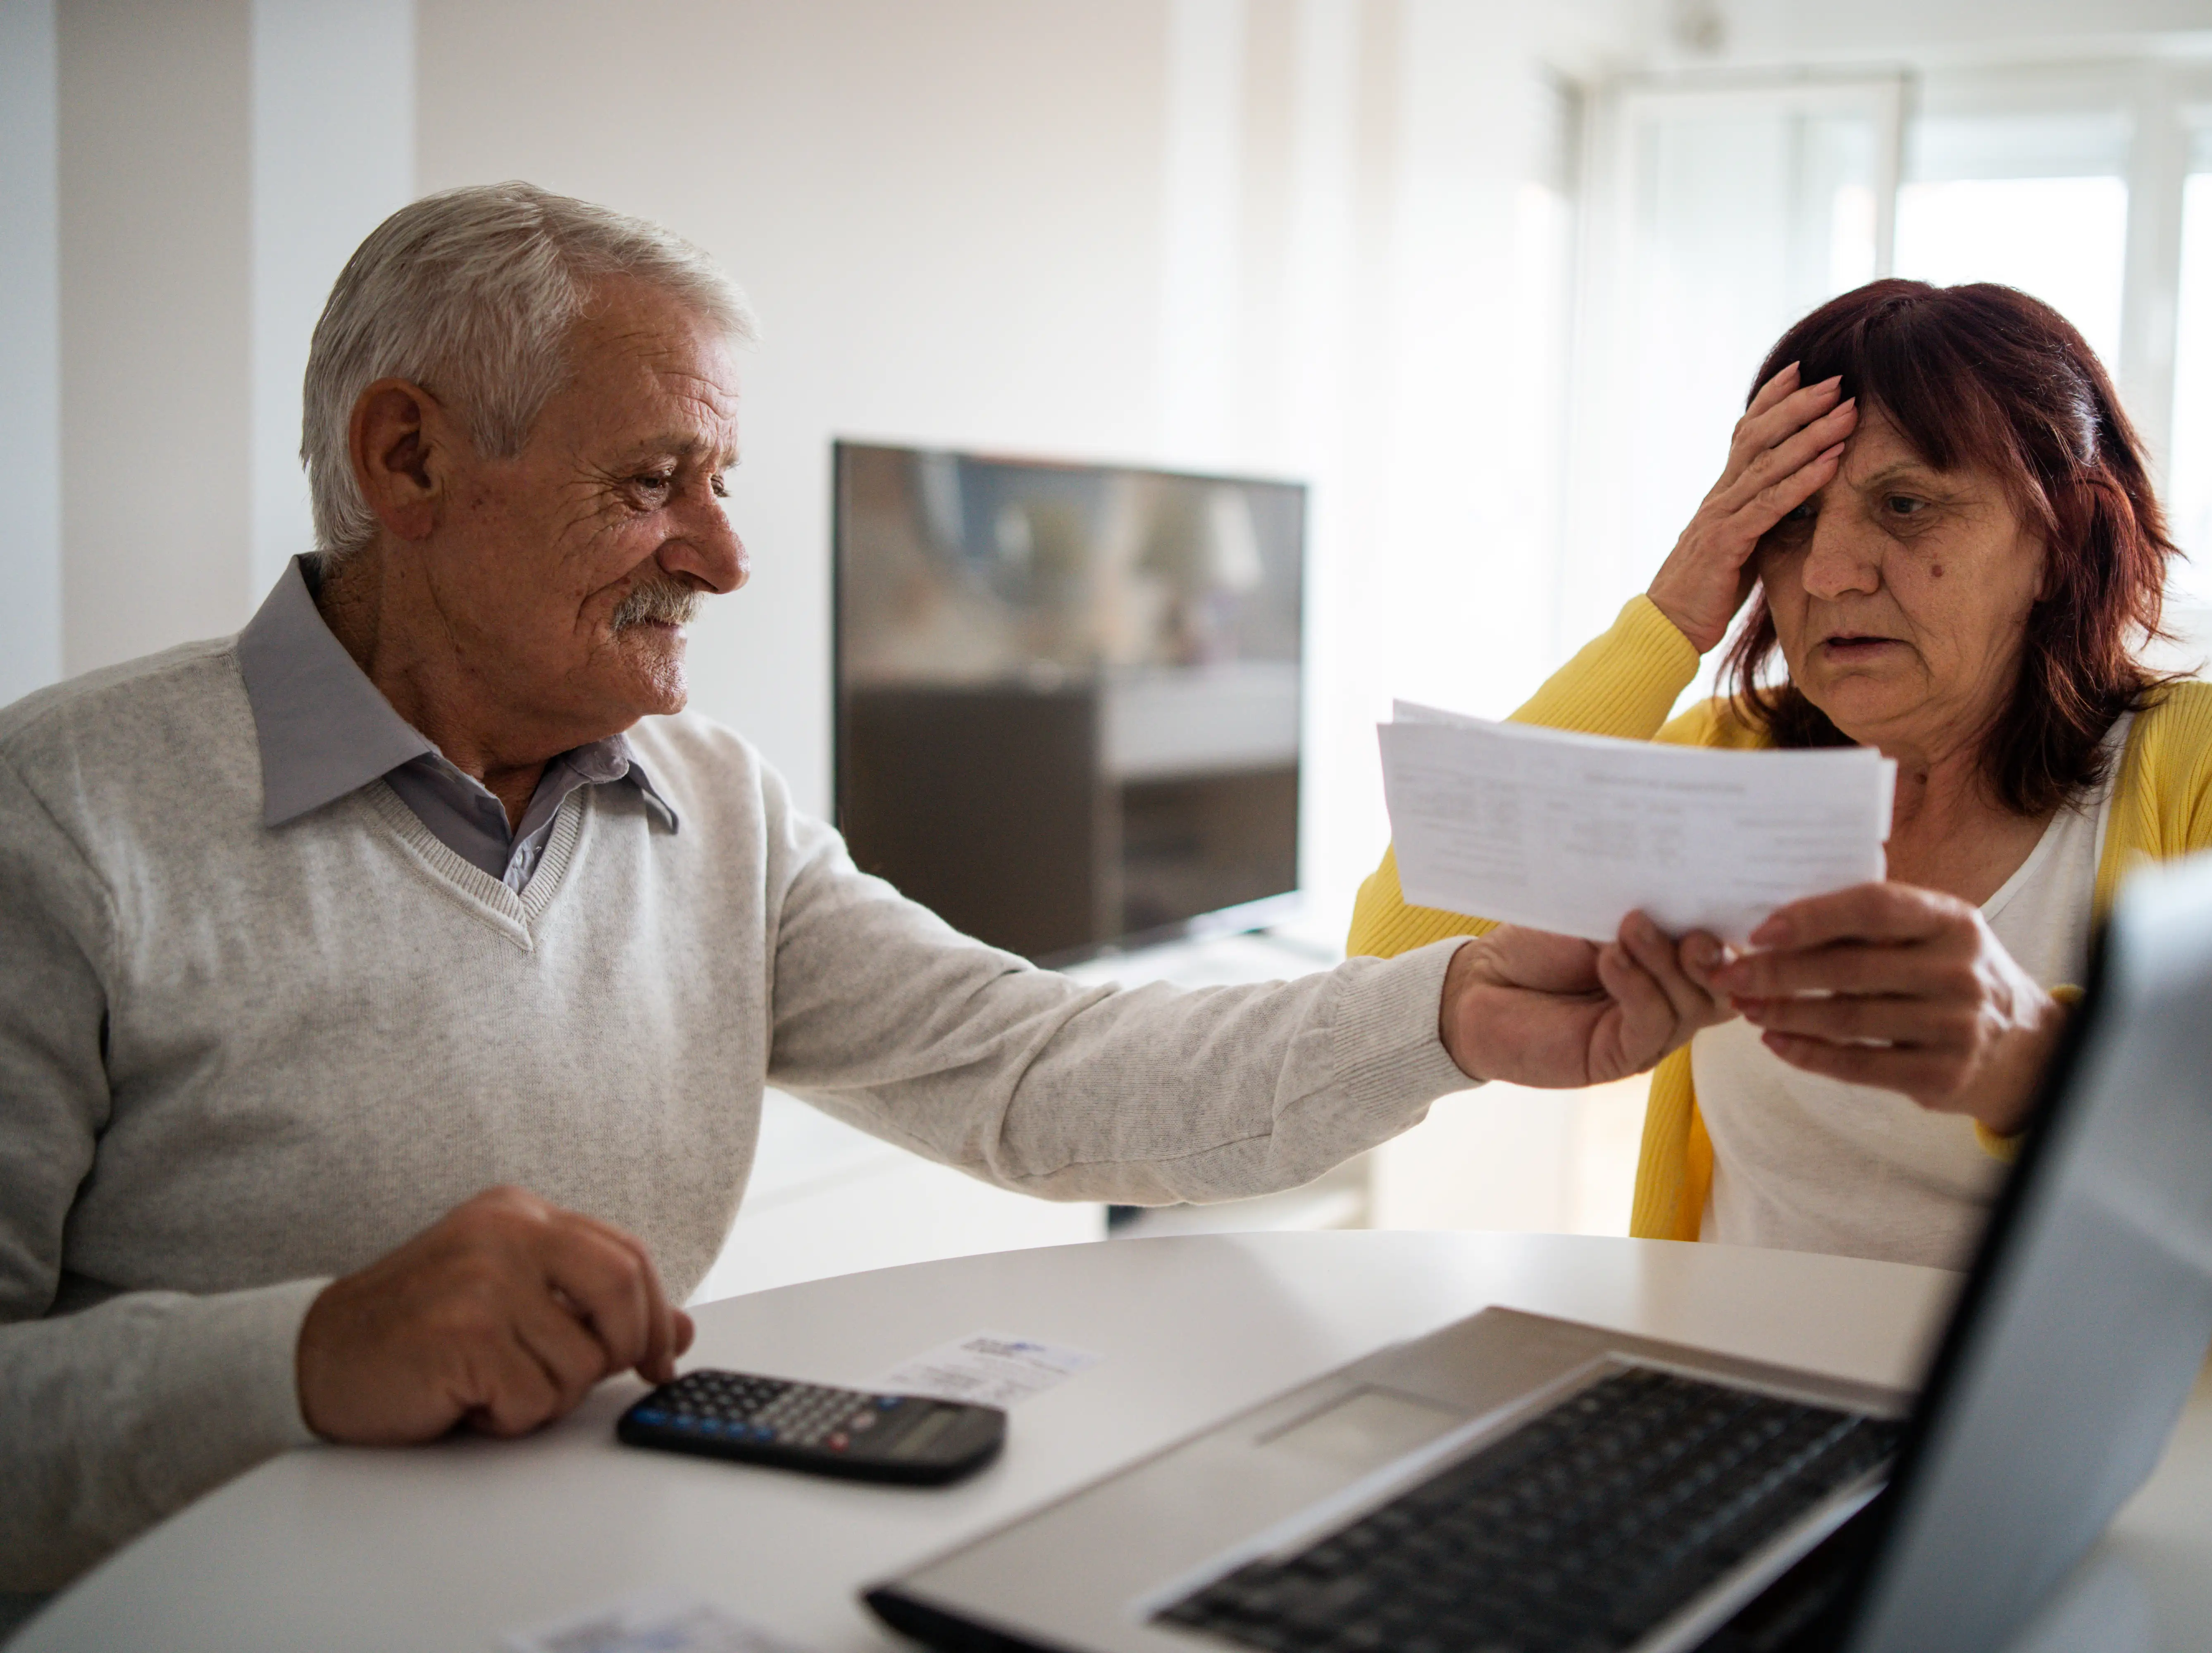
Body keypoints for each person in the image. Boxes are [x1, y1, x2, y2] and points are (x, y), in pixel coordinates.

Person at [0, 184, 1723, 1598]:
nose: (728, 555)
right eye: (654, 482)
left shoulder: (716, 806)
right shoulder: (63, 820)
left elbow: (1041, 1077)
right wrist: (303, 1355)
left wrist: (1448, 1014)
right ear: (411, 462)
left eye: (722, 482)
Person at [1350, 279, 2212, 1357]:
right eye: (1787, 522)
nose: (1828, 575)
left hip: (2042, 1446)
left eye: (1908, 505)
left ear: (2060, 537)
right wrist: (1668, 622)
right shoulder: (1726, 762)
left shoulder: (2207, 764)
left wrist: (2042, 1066)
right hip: (1730, 1414)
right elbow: (1389, 966)